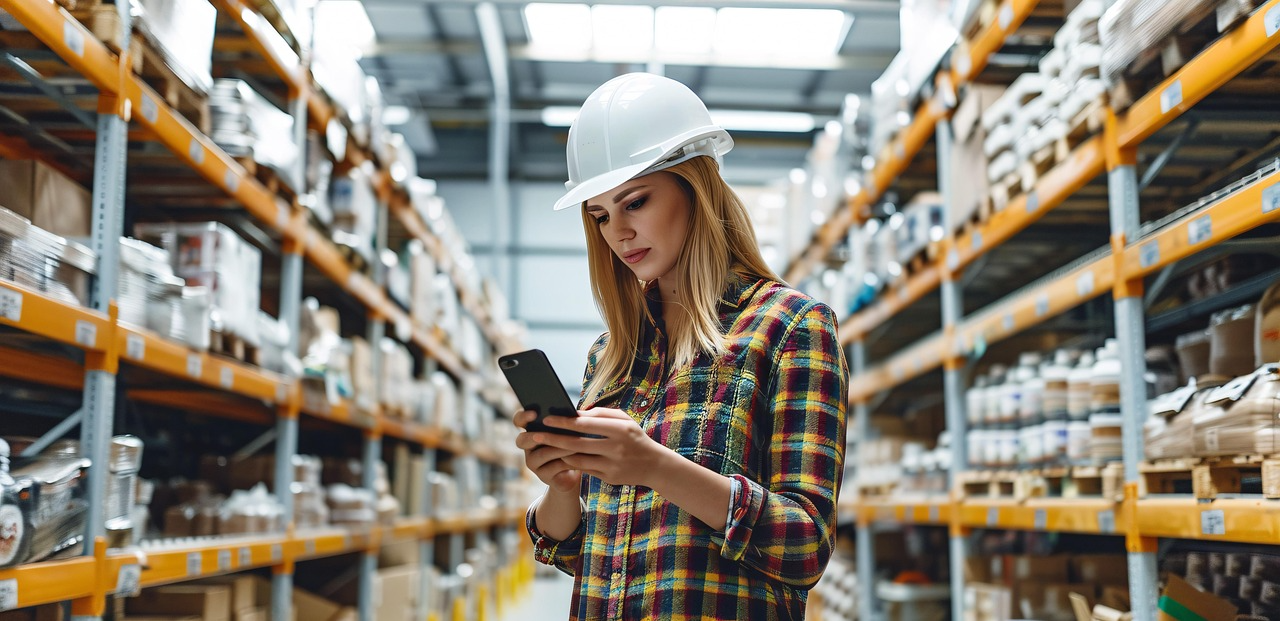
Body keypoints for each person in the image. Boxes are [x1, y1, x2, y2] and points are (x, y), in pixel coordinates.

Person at [514, 72, 849, 620]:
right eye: (599, 216)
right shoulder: (613, 353)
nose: (617, 233)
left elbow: (805, 547)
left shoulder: (791, 327)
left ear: (696, 188)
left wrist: (654, 467)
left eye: (635, 202)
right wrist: (564, 486)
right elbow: (575, 553)